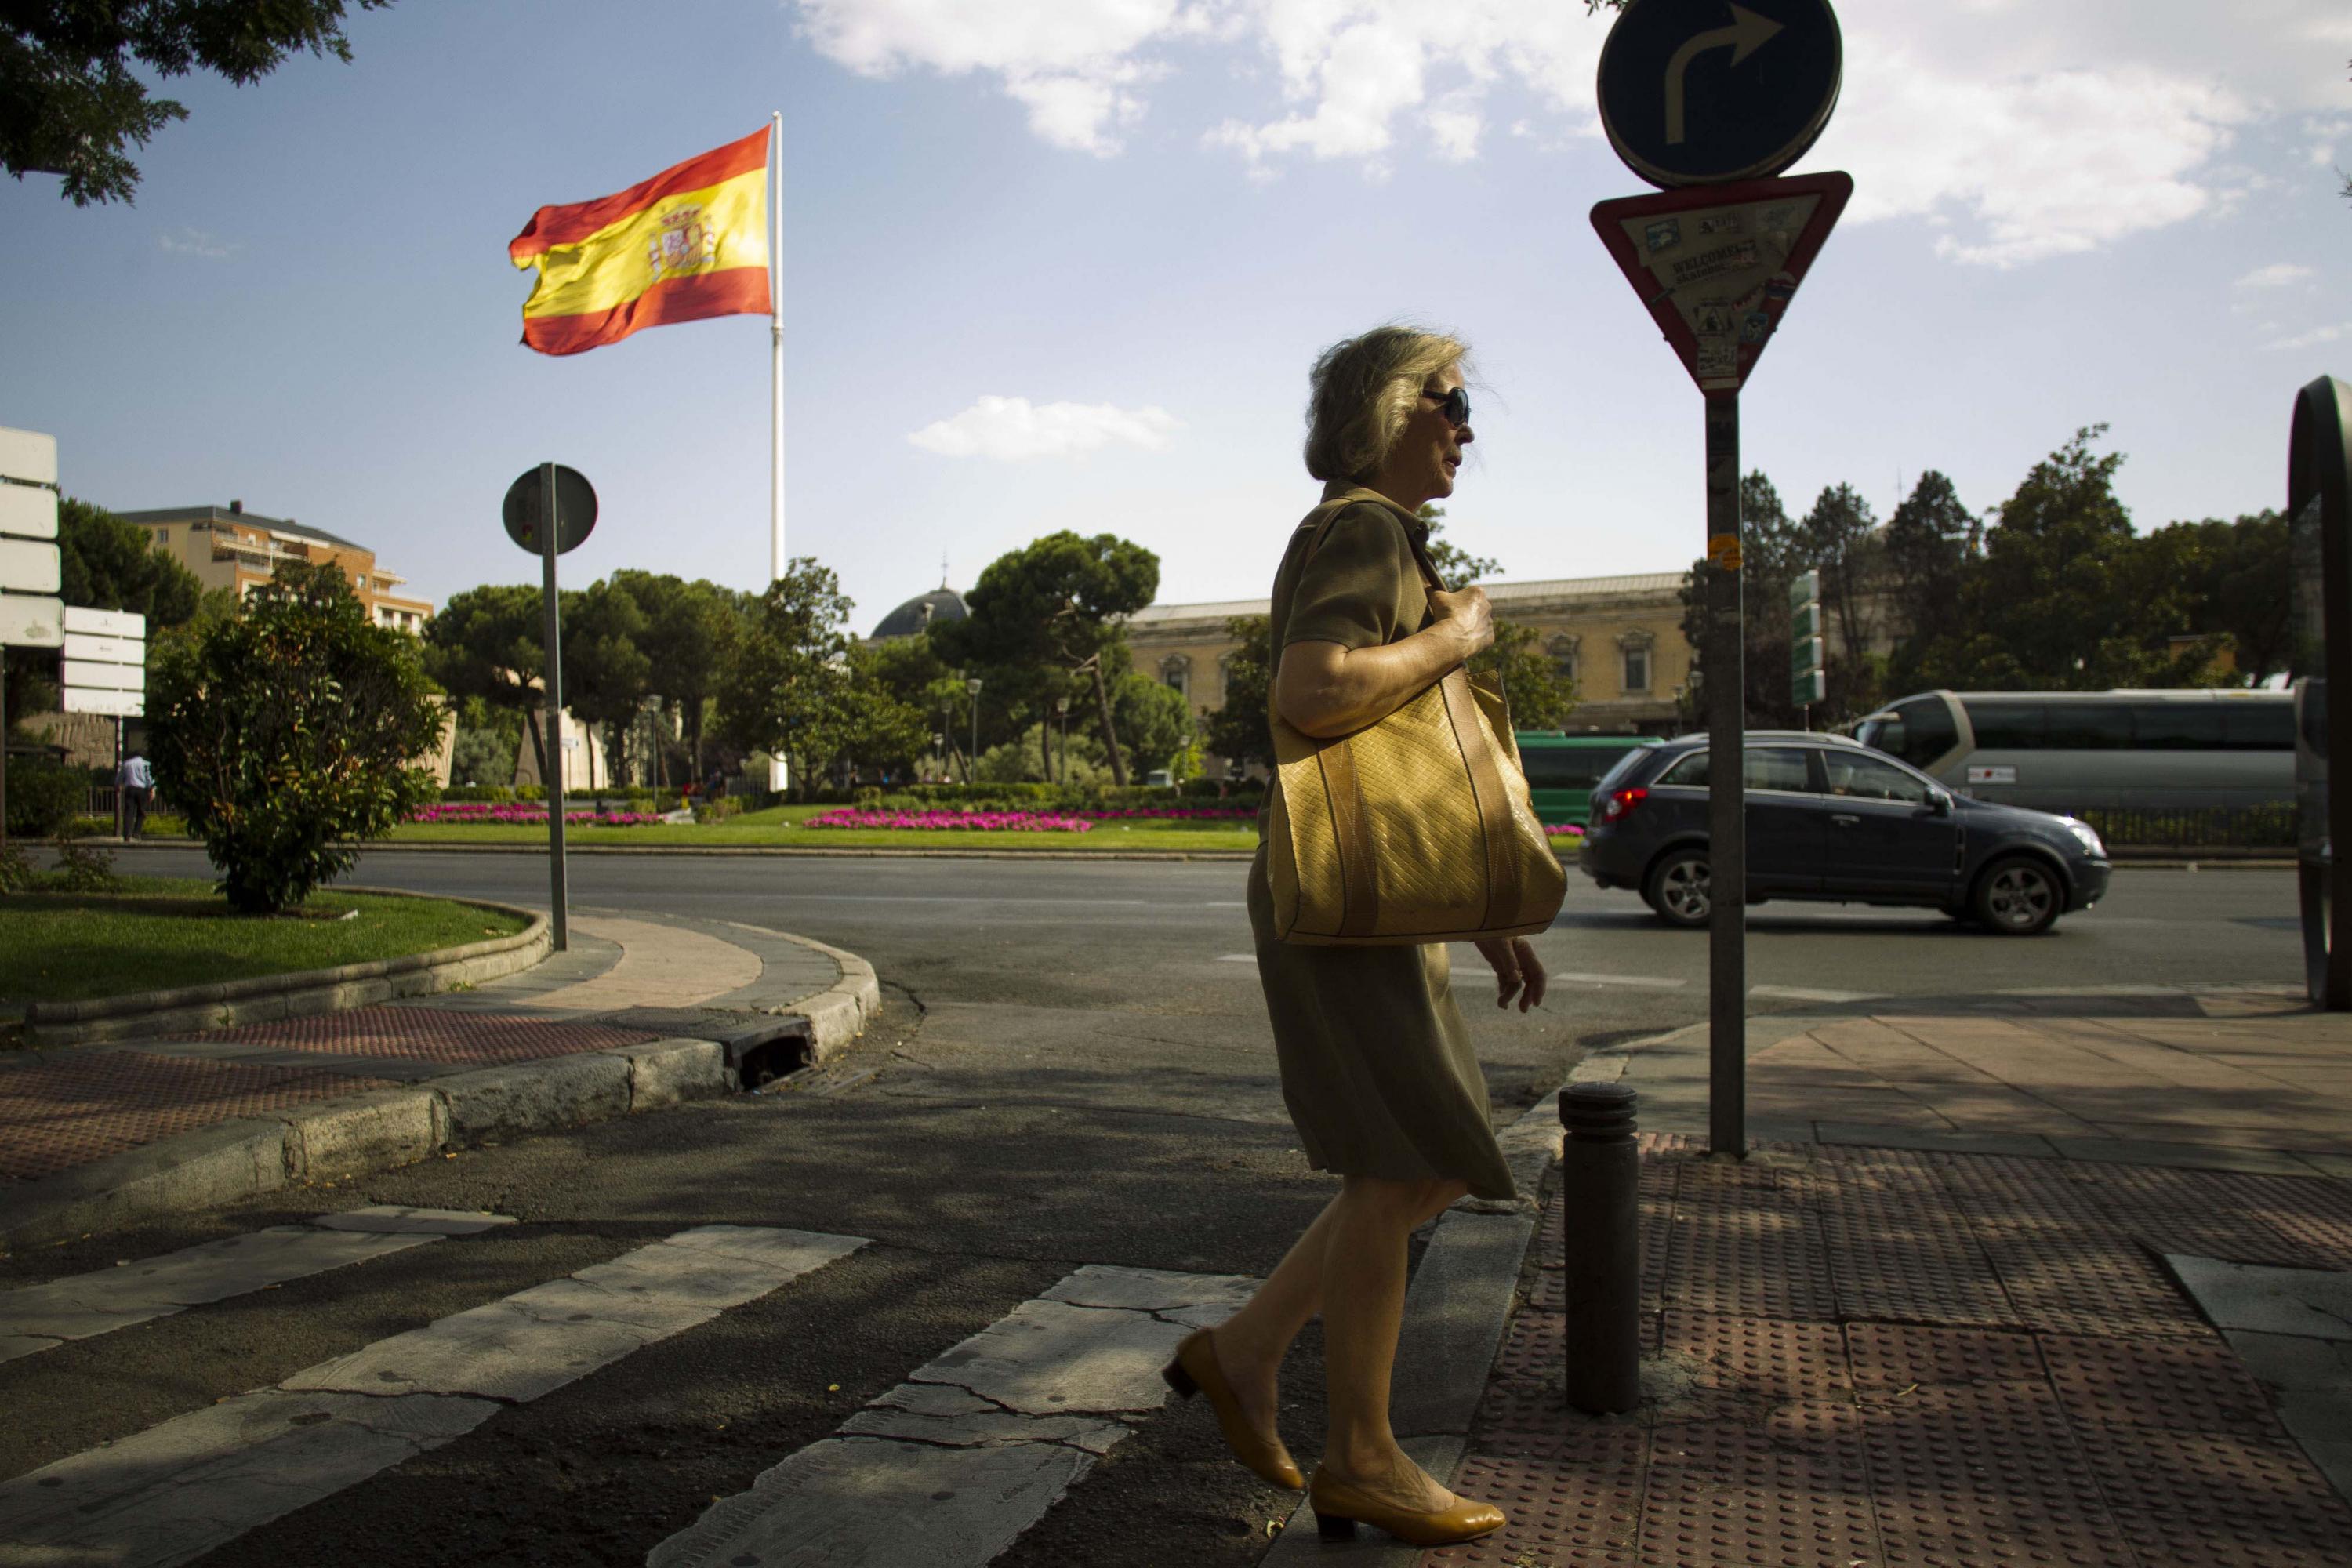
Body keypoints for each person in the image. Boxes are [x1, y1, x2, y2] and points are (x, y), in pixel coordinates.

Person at [1159, 327, 1544, 1549]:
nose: (1467, 426)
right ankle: (1363, 1459)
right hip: (1342, 907)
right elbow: (1314, 691)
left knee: (1428, 1163)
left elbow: (1398, 757)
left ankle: (1248, 1350)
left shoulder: (1376, 536)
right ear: (1390, 409)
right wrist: (1454, 641)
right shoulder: (1364, 531)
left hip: (1369, 901)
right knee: (1396, 1167)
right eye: (1451, 399)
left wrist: (1477, 913)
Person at [117, 750, 154, 840]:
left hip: (130, 788)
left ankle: (127, 834)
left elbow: (119, 777)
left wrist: (118, 785)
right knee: (141, 811)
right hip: (142, 789)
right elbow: (149, 778)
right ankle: (137, 832)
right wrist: (152, 789)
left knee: (129, 811)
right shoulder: (146, 764)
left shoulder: (126, 764)